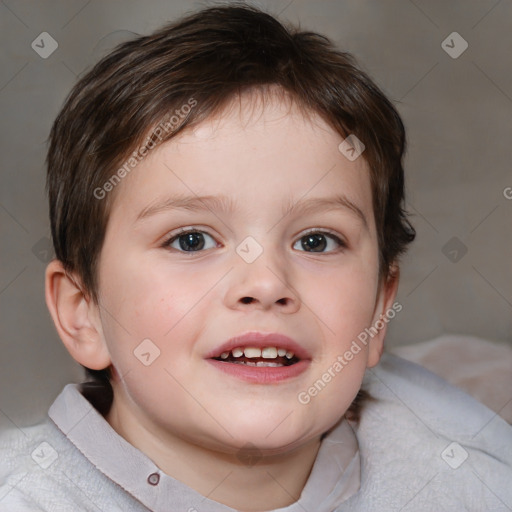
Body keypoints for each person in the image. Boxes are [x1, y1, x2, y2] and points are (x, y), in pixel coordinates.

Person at [1, 4, 511, 511]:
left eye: (316, 241)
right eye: (191, 240)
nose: (266, 283)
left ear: (379, 311)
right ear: (83, 312)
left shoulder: (468, 480)